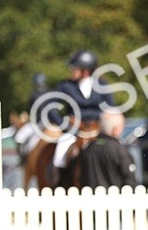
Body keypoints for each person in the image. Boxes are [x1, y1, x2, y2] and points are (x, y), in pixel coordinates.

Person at [49, 50, 114, 182]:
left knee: (117, 148)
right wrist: (65, 126)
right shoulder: (65, 86)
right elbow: (52, 109)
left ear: (86, 70)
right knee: (60, 153)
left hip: (97, 129)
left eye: (74, 68)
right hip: (74, 131)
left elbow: (111, 108)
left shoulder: (102, 85)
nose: (71, 70)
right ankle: (57, 181)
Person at [78, 111, 137, 189]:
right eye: (122, 126)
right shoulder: (119, 150)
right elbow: (130, 180)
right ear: (115, 130)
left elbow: (81, 177)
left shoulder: (88, 148)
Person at [13, 72, 52, 154]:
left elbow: (29, 111)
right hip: (52, 123)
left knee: (19, 137)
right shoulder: (51, 93)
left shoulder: (34, 95)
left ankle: (23, 159)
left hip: (37, 124)